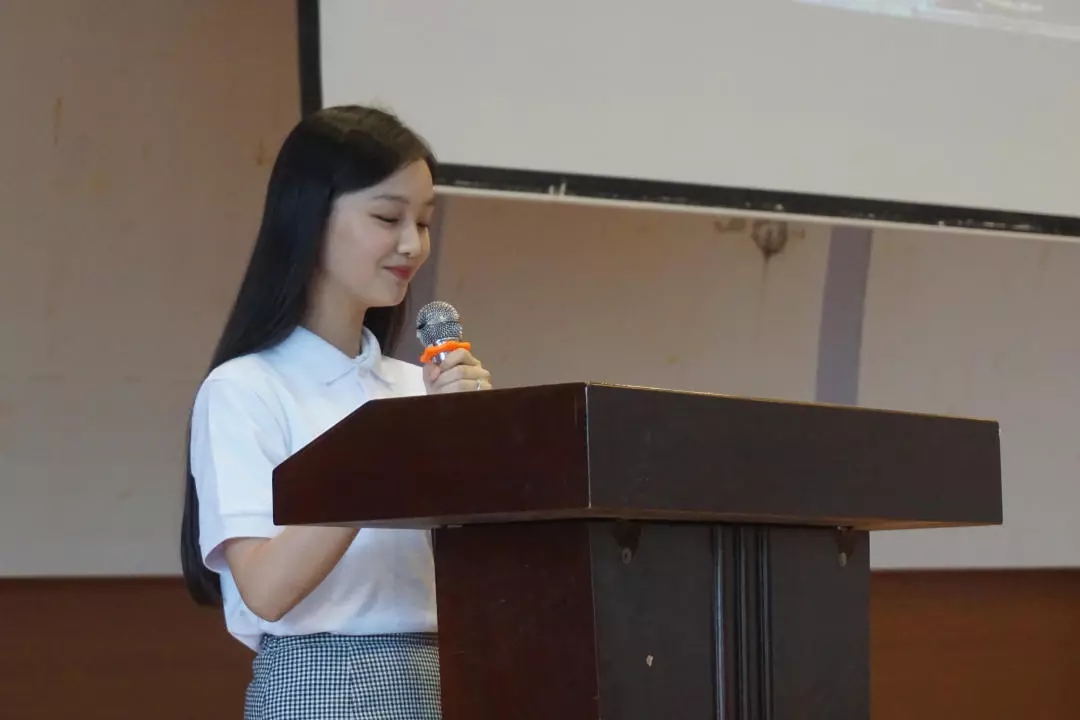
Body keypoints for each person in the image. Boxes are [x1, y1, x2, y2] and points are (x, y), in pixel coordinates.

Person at [179, 105, 491, 719]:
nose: (412, 245)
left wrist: (486, 439)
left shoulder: (416, 388)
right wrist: (397, 444)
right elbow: (267, 589)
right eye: (387, 217)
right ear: (310, 217)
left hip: (451, 674)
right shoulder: (245, 388)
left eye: (424, 222)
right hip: (322, 684)